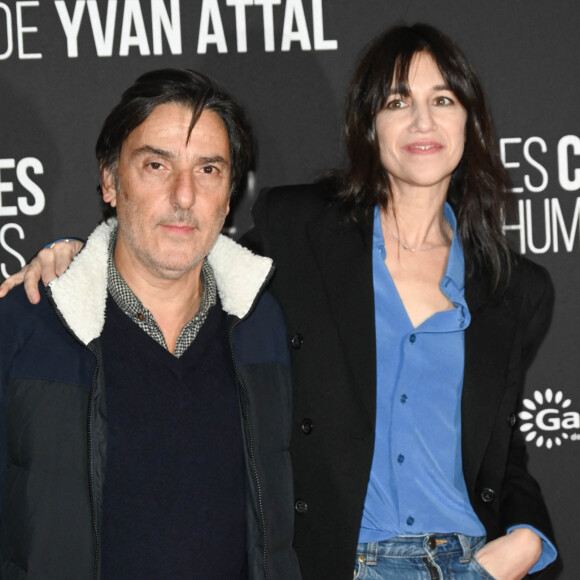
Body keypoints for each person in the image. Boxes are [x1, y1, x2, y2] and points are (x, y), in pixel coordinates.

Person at [1, 24, 557, 580]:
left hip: (471, 563)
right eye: (397, 100)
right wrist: (70, 255)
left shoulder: (513, 287)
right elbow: (179, 246)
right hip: (344, 562)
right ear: (368, 123)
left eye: (443, 99)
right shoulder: (300, 231)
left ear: (470, 121)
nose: (422, 121)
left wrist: (529, 539)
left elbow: (498, 450)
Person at [0, 68, 301, 579]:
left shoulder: (262, 322)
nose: (184, 196)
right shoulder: (29, 324)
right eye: (157, 165)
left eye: (208, 170)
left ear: (229, 198)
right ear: (111, 181)